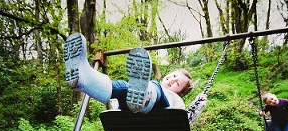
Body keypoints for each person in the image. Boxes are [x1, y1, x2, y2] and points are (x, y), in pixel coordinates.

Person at [64, 33, 208, 123]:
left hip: (159, 116)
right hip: (132, 115)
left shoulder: (176, 101)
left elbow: (186, 120)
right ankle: (85, 80)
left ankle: (146, 97)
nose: (172, 80)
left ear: (180, 93)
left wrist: (199, 104)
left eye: (177, 83)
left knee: (155, 88)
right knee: (124, 87)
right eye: (174, 75)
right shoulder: (143, 86)